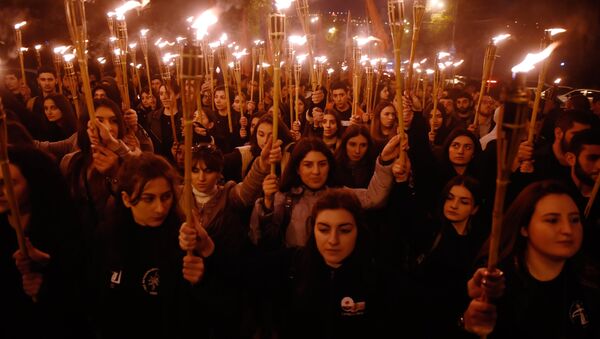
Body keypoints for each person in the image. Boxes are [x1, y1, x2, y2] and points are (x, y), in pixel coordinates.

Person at [88, 152, 214, 338]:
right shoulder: (107, 236)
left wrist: (201, 279)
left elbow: (200, 311)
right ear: (126, 198)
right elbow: (94, 298)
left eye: (166, 197)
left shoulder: (184, 238)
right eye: (148, 198)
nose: (160, 208)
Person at [463, 180, 600, 338]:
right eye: (552, 220)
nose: (568, 230)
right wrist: (468, 324)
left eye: (574, 220)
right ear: (524, 228)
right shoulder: (496, 283)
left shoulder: (589, 281)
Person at [178, 138, 281, 338]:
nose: (201, 177)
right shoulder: (178, 195)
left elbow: (247, 191)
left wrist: (261, 164)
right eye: (195, 170)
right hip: (186, 287)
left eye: (208, 171)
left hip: (222, 285)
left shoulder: (228, 194)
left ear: (218, 173)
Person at [265, 189, 388, 339]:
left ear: (358, 231)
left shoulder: (378, 279)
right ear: (313, 228)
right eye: (324, 229)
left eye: (344, 230)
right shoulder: (290, 265)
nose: (333, 240)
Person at [1, 146, 91, 338]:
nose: (0, 191)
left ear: (33, 183)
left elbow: (81, 292)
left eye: (7, 183)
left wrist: (46, 270)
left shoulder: (62, 224)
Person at [251, 136, 399, 250]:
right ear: (297, 168)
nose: (316, 172)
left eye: (322, 164)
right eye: (308, 165)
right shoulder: (284, 198)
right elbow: (263, 239)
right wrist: (267, 203)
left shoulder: (339, 195)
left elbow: (373, 198)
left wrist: (385, 161)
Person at [224, 113, 294, 182]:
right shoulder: (246, 153)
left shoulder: (289, 154)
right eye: (261, 135)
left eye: (270, 136)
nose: (265, 140)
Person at [334, 124, 376, 188]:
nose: (357, 151)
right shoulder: (334, 165)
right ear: (345, 144)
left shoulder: (373, 167)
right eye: (352, 144)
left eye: (363, 145)